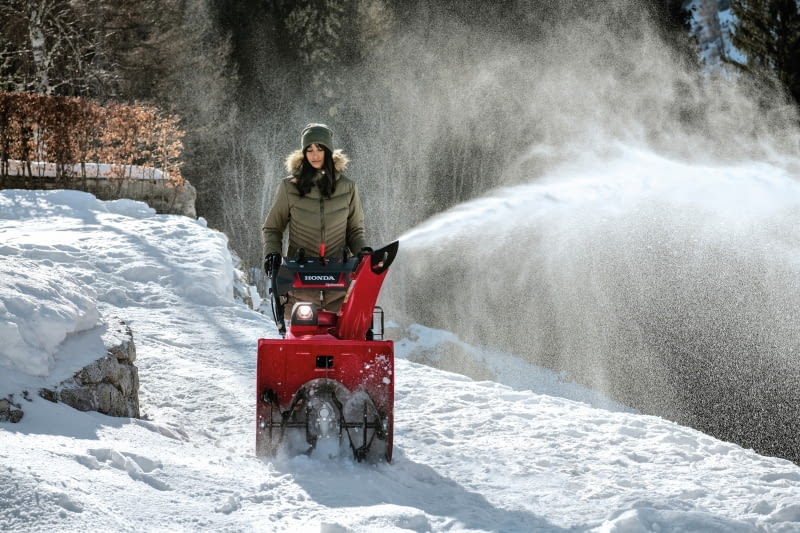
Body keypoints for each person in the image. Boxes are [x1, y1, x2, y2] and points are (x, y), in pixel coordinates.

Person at [262, 123, 368, 319]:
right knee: (301, 344)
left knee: (341, 343)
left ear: (328, 151)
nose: (314, 154)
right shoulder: (289, 187)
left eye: (320, 148)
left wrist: (363, 252)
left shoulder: (348, 187)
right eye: (309, 149)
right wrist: (272, 254)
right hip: (299, 283)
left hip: (339, 283)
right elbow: (272, 228)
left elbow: (355, 230)